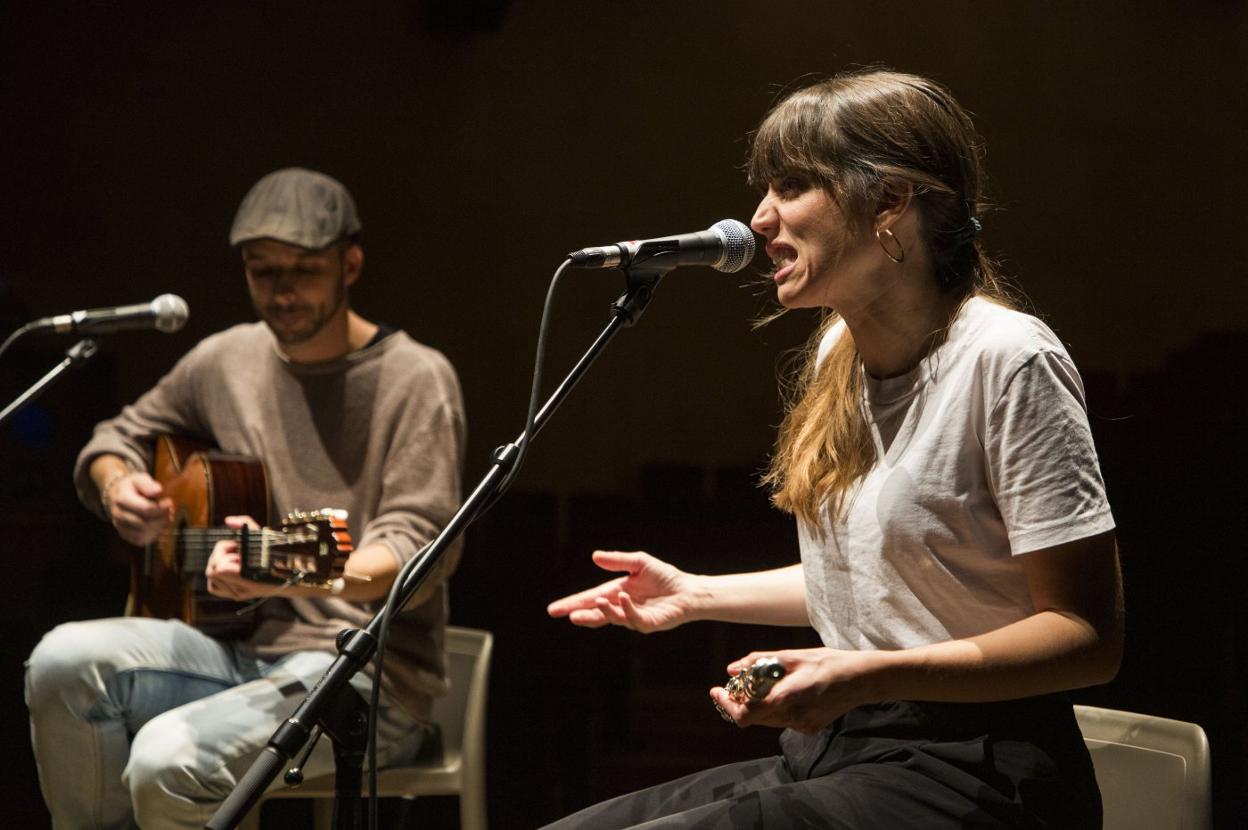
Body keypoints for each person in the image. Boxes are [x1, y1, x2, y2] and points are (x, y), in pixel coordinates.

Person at [545, 70, 1122, 829]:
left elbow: (1087, 639)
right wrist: (697, 595)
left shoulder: (1007, 360)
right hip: (845, 752)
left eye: (790, 186)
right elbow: (887, 580)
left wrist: (866, 674)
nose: (758, 219)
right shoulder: (838, 354)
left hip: (981, 771)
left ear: (889, 203)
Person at [24, 167, 466, 830]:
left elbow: (411, 552)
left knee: (166, 761)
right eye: (262, 271)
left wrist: (280, 563)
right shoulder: (226, 359)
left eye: (303, 270)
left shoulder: (416, 379)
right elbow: (115, 437)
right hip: (235, 648)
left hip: (367, 677)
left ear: (351, 264)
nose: (281, 292)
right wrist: (119, 487)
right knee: (60, 661)